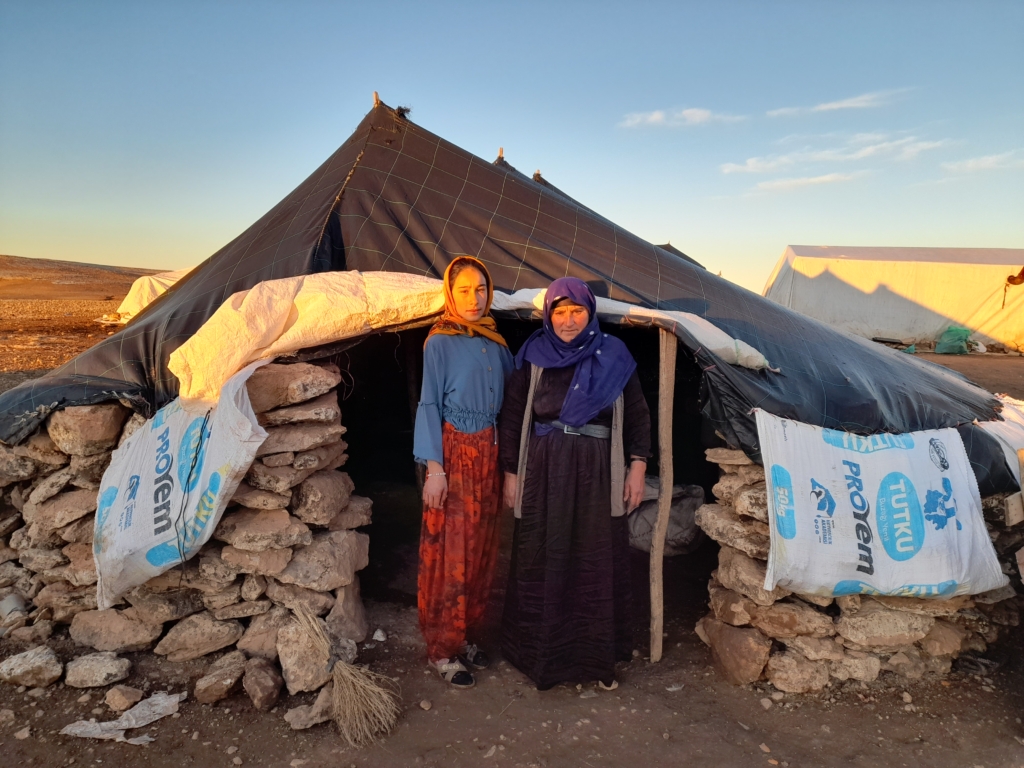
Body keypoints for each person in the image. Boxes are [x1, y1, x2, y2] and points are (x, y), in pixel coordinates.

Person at [498, 277, 651, 690]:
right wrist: (511, 472)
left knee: (594, 558)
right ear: (549, 315)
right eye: (560, 312)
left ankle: (595, 660)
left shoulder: (615, 356)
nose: (568, 321)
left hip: (598, 470)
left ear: (590, 312)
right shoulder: (534, 355)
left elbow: (637, 415)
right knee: (543, 553)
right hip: (544, 469)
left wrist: (637, 466)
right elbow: (512, 417)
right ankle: (541, 658)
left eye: (577, 311)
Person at [413, 256, 514, 689]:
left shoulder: (497, 343)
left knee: (482, 549)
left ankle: (467, 635)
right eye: (464, 291)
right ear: (450, 295)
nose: (473, 299)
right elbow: (429, 403)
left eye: (480, 289)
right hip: (454, 457)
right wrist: (434, 469)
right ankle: (442, 649)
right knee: (450, 553)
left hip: (490, 455)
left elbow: (511, 407)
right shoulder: (439, 342)